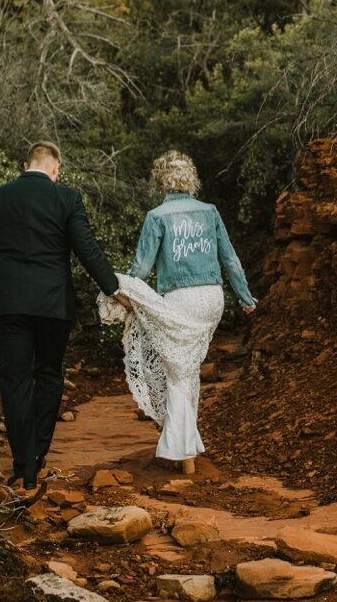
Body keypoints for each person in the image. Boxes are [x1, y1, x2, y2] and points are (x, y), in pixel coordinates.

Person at [0, 141, 127, 491]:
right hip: (52, 306)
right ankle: (37, 457)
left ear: (25, 164)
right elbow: (86, 249)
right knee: (48, 375)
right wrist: (114, 289)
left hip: (8, 304)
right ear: (55, 169)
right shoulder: (66, 199)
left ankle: (21, 461)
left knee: (13, 380)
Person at [99, 150, 256, 475]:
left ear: (161, 180)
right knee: (187, 372)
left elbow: (141, 268)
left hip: (180, 301)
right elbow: (230, 259)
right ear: (191, 179)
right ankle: (186, 451)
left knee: (178, 374)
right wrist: (245, 296)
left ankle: (182, 455)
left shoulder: (157, 216)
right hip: (212, 301)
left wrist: (121, 292)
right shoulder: (209, 211)